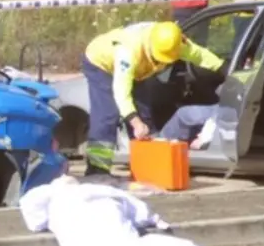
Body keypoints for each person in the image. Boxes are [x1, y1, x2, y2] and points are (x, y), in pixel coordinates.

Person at [80, 21, 224, 175]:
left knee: (144, 119)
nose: (161, 63)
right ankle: (98, 169)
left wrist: (226, 70)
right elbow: (121, 93)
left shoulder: (174, 43)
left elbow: (201, 56)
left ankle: (147, 168)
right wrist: (135, 122)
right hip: (101, 64)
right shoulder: (128, 52)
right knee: (107, 116)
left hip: (138, 70)